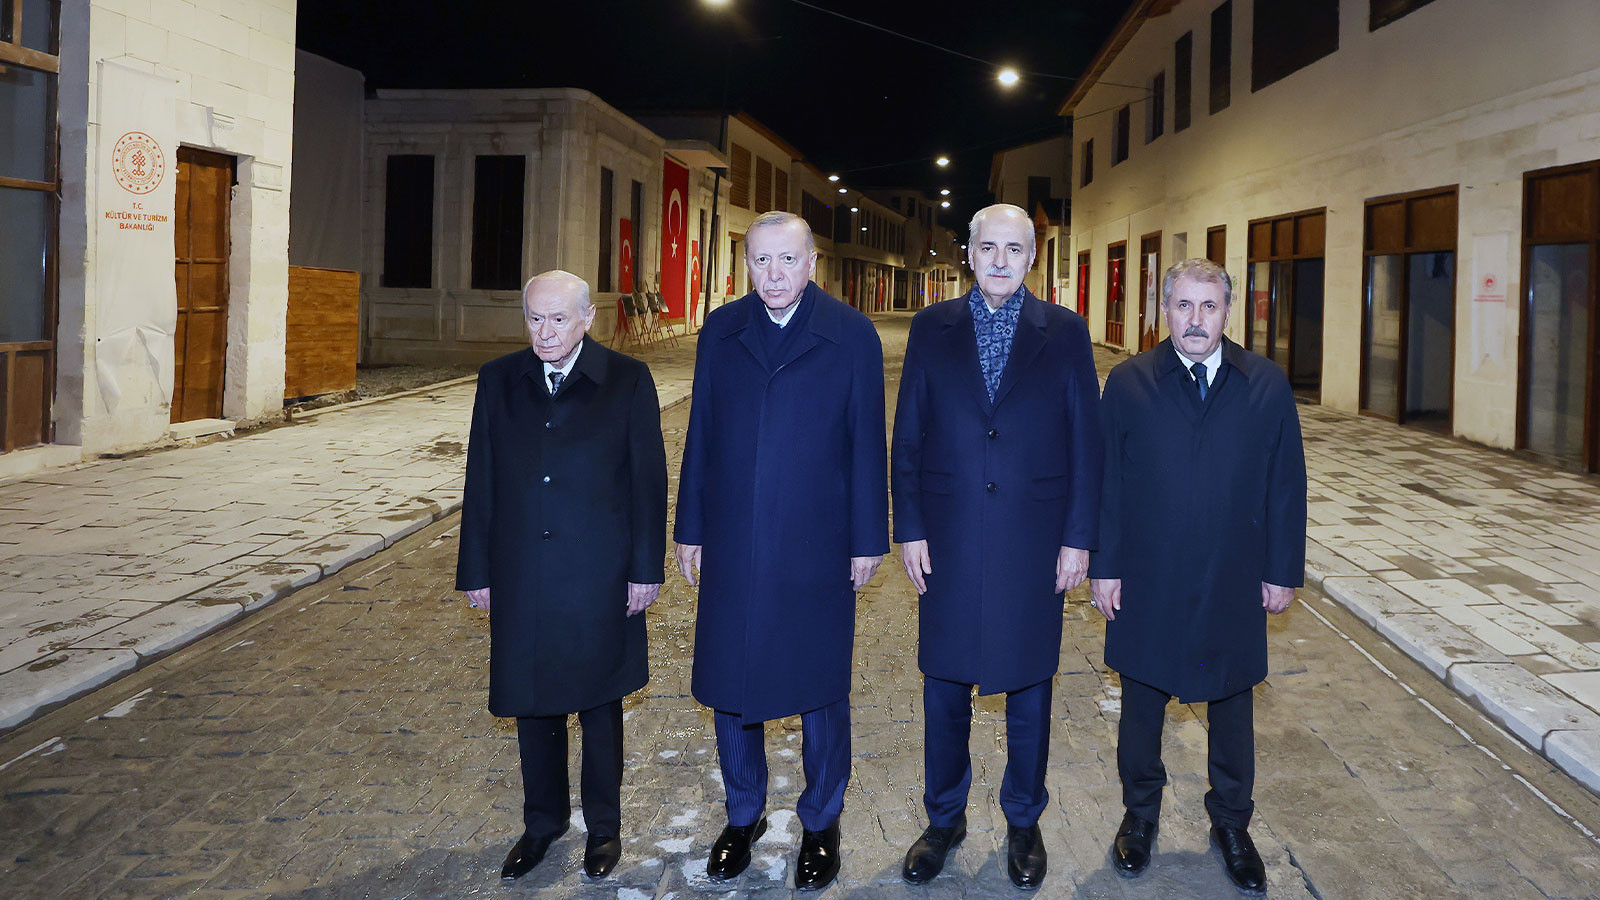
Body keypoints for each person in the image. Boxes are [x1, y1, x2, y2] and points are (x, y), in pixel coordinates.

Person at [890, 203, 1103, 891]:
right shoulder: (932, 327)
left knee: (1030, 684)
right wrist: (911, 525)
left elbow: (1085, 441)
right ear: (970, 254)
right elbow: (909, 434)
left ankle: (1023, 820)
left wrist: (1078, 538)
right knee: (945, 683)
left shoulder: (1065, 332)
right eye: (989, 247)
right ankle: (943, 818)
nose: (1001, 260)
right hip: (948, 536)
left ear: (1033, 257)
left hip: (1032, 537)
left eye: (1015, 248)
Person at [674, 211, 888, 891]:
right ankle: (744, 815)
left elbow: (865, 443)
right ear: (747, 263)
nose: (773, 275)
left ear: (812, 261)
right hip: (736, 536)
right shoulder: (722, 330)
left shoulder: (851, 334)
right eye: (761, 261)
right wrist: (691, 526)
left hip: (816, 539)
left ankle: (821, 820)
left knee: (820, 685)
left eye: (787, 261)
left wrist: (866, 539)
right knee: (733, 678)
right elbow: (701, 429)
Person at [1089, 258, 1306, 895]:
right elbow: (1109, 485)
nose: (1195, 319)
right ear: (1165, 310)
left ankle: (1232, 824)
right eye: (1183, 306)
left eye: (1208, 307)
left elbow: (1286, 485)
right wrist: (1105, 566)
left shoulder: (1265, 383)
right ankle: (1139, 816)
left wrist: (1282, 570)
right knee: (1142, 700)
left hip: (1234, 574)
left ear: (1227, 312)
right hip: (1149, 574)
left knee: (1234, 701)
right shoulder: (1129, 383)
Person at [455, 270, 667, 882]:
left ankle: (604, 828)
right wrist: (477, 569)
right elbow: (482, 479)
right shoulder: (500, 381)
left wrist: (643, 569)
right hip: (523, 569)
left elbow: (647, 484)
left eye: (558, 320)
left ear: (587, 319)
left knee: (601, 704)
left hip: (599, 572)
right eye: (534, 319)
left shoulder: (627, 380)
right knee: (533, 703)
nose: (544, 333)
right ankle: (541, 823)